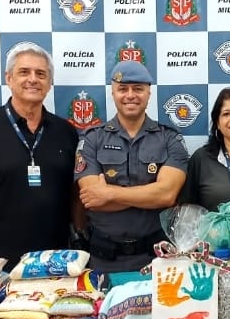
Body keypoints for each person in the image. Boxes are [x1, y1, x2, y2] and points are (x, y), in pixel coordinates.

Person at [0, 42, 82, 269]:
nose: (33, 79)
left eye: (41, 74)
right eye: (24, 72)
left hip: (56, 263)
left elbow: (75, 197)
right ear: (9, 78)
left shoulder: (66, 132)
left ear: (49, 83)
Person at [76, 61, 189, 272]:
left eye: (138, 89)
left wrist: (109, 193)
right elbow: (92, 198)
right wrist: (148, 194)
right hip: (104, 260)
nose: (130, 95)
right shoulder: (92, 139)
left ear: (148, 93)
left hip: (158, 259)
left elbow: (166, 195)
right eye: (122, 89)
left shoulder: (169, 138)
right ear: (113, 93)